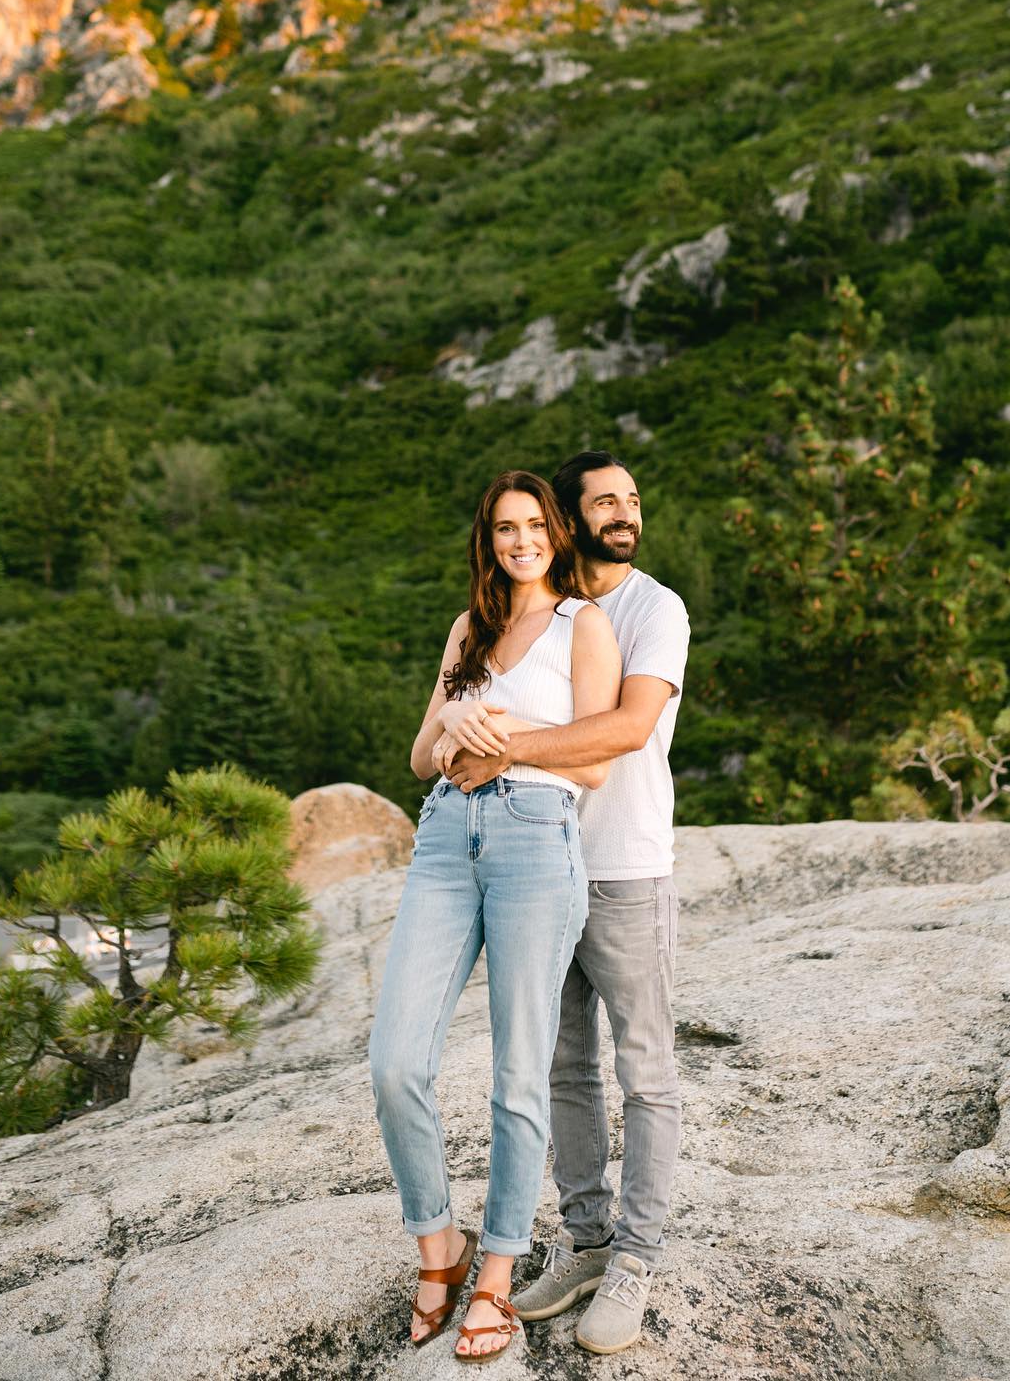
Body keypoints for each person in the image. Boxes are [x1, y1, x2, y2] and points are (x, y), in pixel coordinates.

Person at [368, 469, 622, 1362]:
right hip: (445, 836)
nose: (521, 542)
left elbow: (593, 759)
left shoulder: (580, 626)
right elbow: (419, 753)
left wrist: (503, 741)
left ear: (556, 534)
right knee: (396, 1058)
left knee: (520, 1072)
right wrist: (457, 737)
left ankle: (498, 1274)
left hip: (535, 835)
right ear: (490, 539)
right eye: (505, 529)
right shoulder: (468, 628)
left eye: (534, 526)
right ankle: (439, 1243)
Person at [439, 451, 690, 1356]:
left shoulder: (654, 609)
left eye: (631, 499)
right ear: (568, 520)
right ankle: (586, 1241)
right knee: (560, 1068)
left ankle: (637, 1259)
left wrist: (504, 748)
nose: (623, 513)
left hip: (622, 864)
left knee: (646, 1071)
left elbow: (626, 730)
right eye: (603, 503)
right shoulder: (529, 611)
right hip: (537, 869)